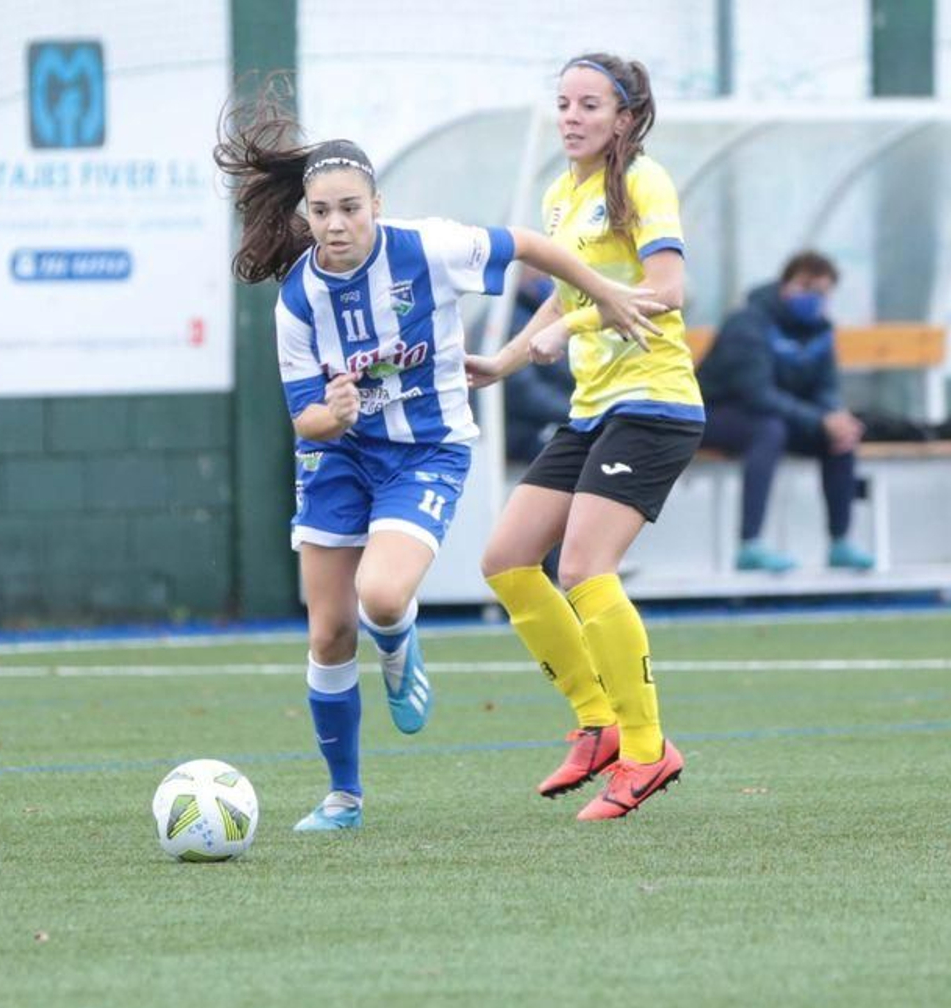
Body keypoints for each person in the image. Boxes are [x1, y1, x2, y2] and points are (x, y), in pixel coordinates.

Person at [214, 78, 664, 832]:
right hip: (336, 460)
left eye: (350, 208)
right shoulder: (297, 299)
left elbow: (531, 245)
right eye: (320, 212)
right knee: (328, 630)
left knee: (382, 597)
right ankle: (343, 797)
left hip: (425, 450)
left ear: (376, 207)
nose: (334, 225)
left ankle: (400, 647)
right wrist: (336, 412)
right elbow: (305, 421)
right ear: (305, 215)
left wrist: (604, 296)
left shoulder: (429, 247)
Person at [466, 53, 699, 820]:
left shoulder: (643, 181)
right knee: (505, 560)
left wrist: (571, 323)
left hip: (654, 403)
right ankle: (596, 720)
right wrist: (500, 360)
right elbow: (569, 294)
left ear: (625, 117)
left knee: (585, 566)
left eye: (590, 105)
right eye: (563, 102)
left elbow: (666, 292)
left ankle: (645, 747)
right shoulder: (562, 195)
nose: (571, 117)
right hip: (595, 409)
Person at [695, 250, 876, 573]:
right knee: (770, 429)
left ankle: (840, 542)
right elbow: (756, 393)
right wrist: (818, 419)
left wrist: (833, 416)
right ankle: (749, 546)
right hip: (711, 415)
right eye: (806, 287)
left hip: (775, 415)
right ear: (785, 284)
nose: (813, 298)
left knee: (842, 435)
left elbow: (826, 387)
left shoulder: (821, 331)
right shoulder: (748, 323)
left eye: (821, 292)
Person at [502, 270, 577, 465]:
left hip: (552, 417)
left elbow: (561, 368)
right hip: (521, 429)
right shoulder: (507, 317)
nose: (544, 274)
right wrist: (576, 411)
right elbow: (524, 393)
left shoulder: (535, 305)